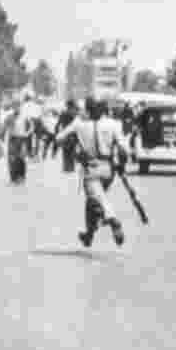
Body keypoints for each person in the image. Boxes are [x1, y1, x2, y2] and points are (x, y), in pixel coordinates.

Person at [56, 98, 128, 248]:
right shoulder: (114, 124)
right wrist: (122, 165)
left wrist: (75, 147)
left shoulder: (79, 124)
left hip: (91, 169)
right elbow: (123, 149)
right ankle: (89, 235)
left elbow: (59, 138)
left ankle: (112, 218)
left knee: (98, 199)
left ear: (88, 110)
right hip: (108, 170)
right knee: (93, 201)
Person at [3, 100, 33, 183]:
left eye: (18, 106)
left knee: (21, 158)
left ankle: (21, 177)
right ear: (13, 107)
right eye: (15, 106)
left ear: (20, 107)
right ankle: (13, 178)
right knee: (12, 159)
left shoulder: (25, 117)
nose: (16, 108)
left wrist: (27, 134)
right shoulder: (9, 116)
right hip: (12, 139)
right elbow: (4, 127)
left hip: (22, 139)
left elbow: (31, 127)